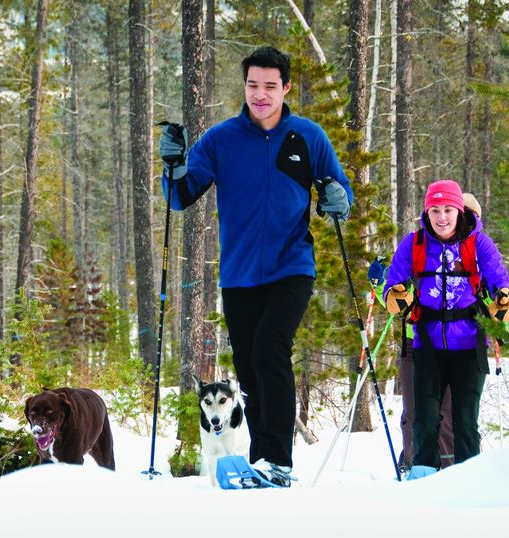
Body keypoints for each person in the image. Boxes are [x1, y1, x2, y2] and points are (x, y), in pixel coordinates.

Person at [158, 46, 353, 487]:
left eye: (270, 86)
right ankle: (262, 459)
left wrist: (339, 198)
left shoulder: (307, 136)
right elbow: (180, 197)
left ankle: (278, 461)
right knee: (248, 369)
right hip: (240, 274)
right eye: (252, 85)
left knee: (270, 348)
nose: (260, 95)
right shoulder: (222, 139)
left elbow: (338, 190)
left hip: (292, 266)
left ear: (286, 87)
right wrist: (171, 167)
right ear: (243, 87)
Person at [382, 179, 509, 479]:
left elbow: (497, 274)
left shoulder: (479, 243)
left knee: (466, 421)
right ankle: (422, 479)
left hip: (469, 345)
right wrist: (396, 295)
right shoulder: (413, 244)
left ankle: (469, 481)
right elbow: (395, 281)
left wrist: (504, 295)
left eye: (448, 210)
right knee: (424, 419)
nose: (442, 217)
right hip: (426, 345)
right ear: (426, 212)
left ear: (459, 211)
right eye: (435, 210)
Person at [367, 257, 454, 473]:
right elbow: (395, 303)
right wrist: (379, 284)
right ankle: (410, 463)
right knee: (413, 410)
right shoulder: (415, 258)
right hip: (413, 344)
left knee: (445, 412)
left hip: (449, 344)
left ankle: (448, 466)